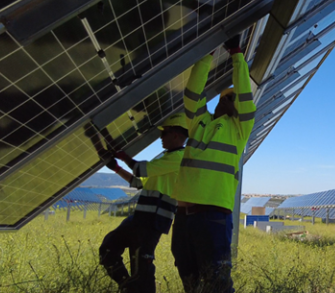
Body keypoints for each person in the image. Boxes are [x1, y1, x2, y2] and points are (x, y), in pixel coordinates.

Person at [171, 36, 256, 293]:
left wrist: (236, 54)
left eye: (234, 99)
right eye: (227, 98)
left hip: (213, 217)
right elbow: (192, 94)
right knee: (190, 283)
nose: (231, 101)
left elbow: (244, 92)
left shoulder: (240, 129)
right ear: (219, 101)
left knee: (217, 285)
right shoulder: (199, 123)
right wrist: (206, 55)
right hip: (183, 218)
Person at [99, 113, 188, 293]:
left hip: (153, 221)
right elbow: (139, 182)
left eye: (165, 133)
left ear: (176, 135)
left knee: (142, 269)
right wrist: (116, 168)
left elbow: (140, 168)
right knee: (108, 250)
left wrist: (123, 156)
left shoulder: (179, 157)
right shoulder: (164, 158)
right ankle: (129, 288)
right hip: (140, 218)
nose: (161, 137)